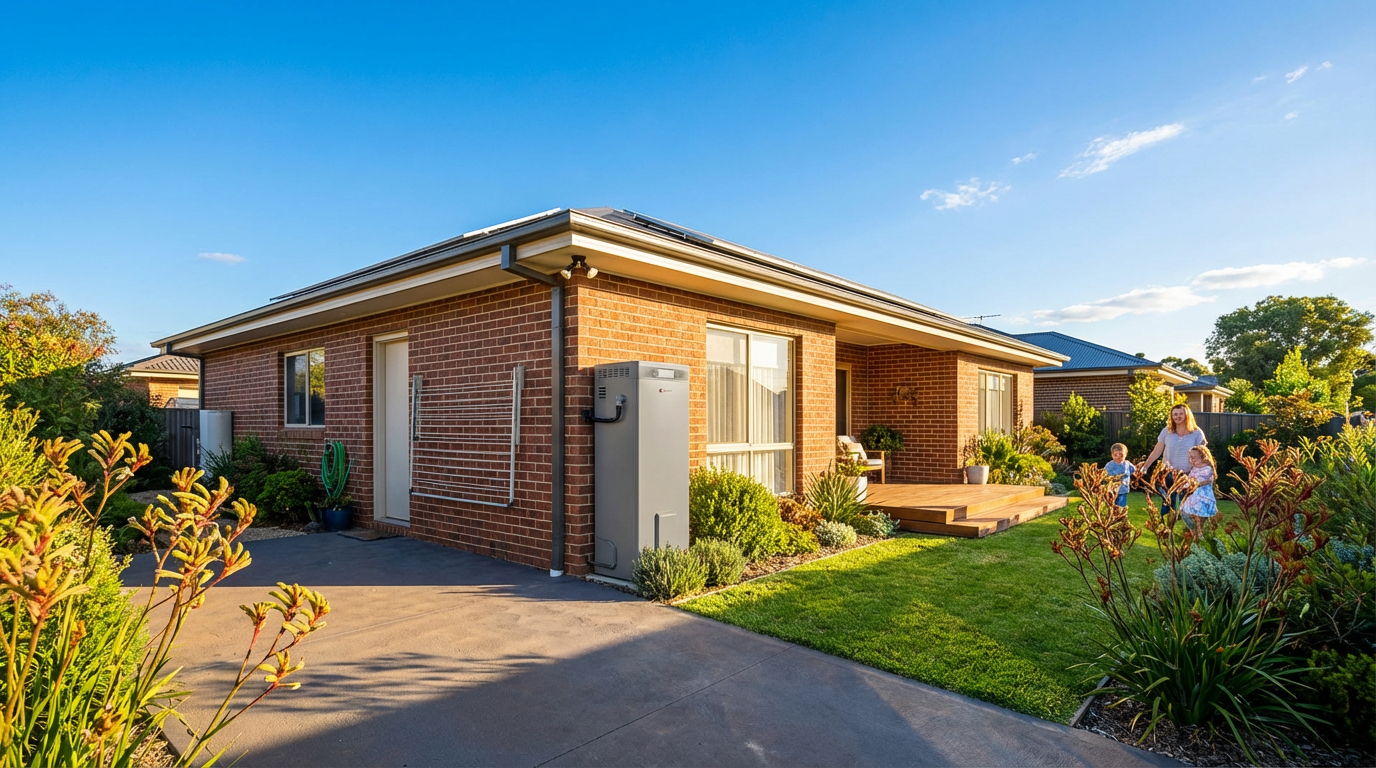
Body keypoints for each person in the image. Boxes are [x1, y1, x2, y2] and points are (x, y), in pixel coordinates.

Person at [1138, 403, 1207, 514]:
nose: (1177, 416)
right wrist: (1145, 467)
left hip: (1187, 474)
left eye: (1181, 414)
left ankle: (1186, 529)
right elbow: (1157, 450)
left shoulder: (1196, 433)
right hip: (1167, 473)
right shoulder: (1167, 431)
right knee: (1167, 502)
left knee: (1185, 505)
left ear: (1187, 415)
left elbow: (1203, 455)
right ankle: (1165, 528)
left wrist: (1203, 473)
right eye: (1175, 414)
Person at [1179, 445, 1218, 532]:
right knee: (1184, 513)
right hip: (1193, 497)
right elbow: (1190, 480)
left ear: (1203, 457)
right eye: (1191, 458)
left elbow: (1199, 481)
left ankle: (1198, 534)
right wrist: (1182, 485)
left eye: (1194, 458)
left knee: (1200, 516)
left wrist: (1189, 484)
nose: (1192, 460)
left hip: (1203, 498)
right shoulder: (1194, 468)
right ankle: (1195, 531)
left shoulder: (1207, 469)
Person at [1104, 442, 1135, 508]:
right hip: (1111, 490)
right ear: (1112, 455)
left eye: (1121, 455)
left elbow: (1134, 471)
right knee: (1111, 506)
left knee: (1121, 506)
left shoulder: (1127, 464)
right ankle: (1112, 517)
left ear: (1125, 455)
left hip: (1123, 490)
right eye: (1115, 455)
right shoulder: (1109, 465)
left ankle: (1121, 517)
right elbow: (1104, 475)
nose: (1118, 457)